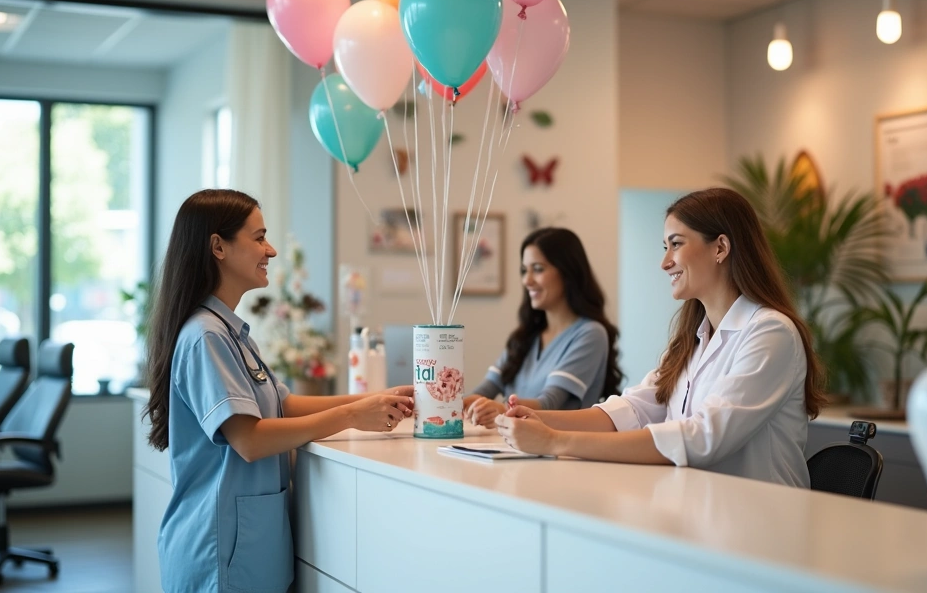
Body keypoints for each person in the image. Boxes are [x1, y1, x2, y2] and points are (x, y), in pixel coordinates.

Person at [143, 190, 414, 593]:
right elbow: (249, 439)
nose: (269, 250)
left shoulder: (230, 333)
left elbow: (283, 405)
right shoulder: (206, 336)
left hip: (247, 547)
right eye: (259, 238)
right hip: (219, 552)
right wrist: (353, 417)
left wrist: (371, 399)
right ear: (218, 246)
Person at [495, 188, 825, 488]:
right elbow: (633, 409)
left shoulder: (770, 332)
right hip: (699, 509)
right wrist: (539, 420)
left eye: (676, 244)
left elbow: (703, 438)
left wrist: (555, 441)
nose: (665, 262)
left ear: (720, 248)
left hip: (761, 524)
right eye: (665, 247)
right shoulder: (691, 341)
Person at [463, 228, 623, 427]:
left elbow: (550, 404)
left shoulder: (590, 334)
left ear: (568, 272)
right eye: (524, 270)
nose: (527, 280)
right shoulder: (526, 337)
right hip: (513, 448)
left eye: (538, 269)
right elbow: (487, 388)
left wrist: (501, 410)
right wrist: (452, 404)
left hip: (559, 454)